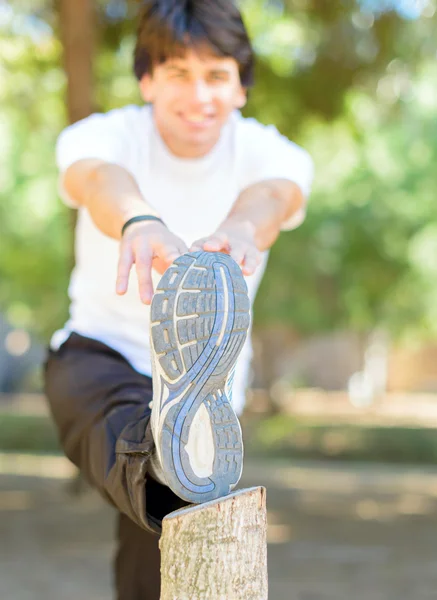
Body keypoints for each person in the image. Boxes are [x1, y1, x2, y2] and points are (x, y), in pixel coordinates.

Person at [44, 0, 314, 598]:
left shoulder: (271, 153)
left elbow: (273, 197)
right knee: (145, 459)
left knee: (162, 539)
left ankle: (176, 454)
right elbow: (97, 179)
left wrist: (242, 230)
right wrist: (138, 221)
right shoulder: (106, 135)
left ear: (241, 86)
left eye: (217, 75)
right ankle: (168, 457)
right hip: (101, 359)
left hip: (210, 393)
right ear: (146, 80)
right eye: (178, 75)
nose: (200, 97)